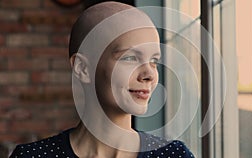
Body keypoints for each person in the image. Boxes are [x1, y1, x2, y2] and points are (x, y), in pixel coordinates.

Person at [10, 1, 195, 158]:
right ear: (83, 68)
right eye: (130, 58)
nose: (149, 75)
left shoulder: (175, 155)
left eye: (154, 61)